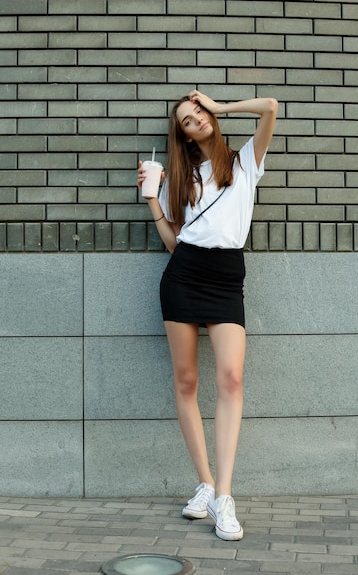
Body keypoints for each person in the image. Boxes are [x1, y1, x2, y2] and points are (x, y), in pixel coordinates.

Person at [138, 90, 278, 541]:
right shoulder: (182, 177)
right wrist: (152, 198)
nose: (194, 120)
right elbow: (176, 243)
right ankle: (205, 484)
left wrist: (221, 107)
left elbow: (271, 107)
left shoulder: (243, 162)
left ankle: (225, 498)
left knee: (232, 378)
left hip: (225, 277)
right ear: (179, 133)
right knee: (186, 382)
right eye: (185, 119)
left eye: (197, 112)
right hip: (183, 273)